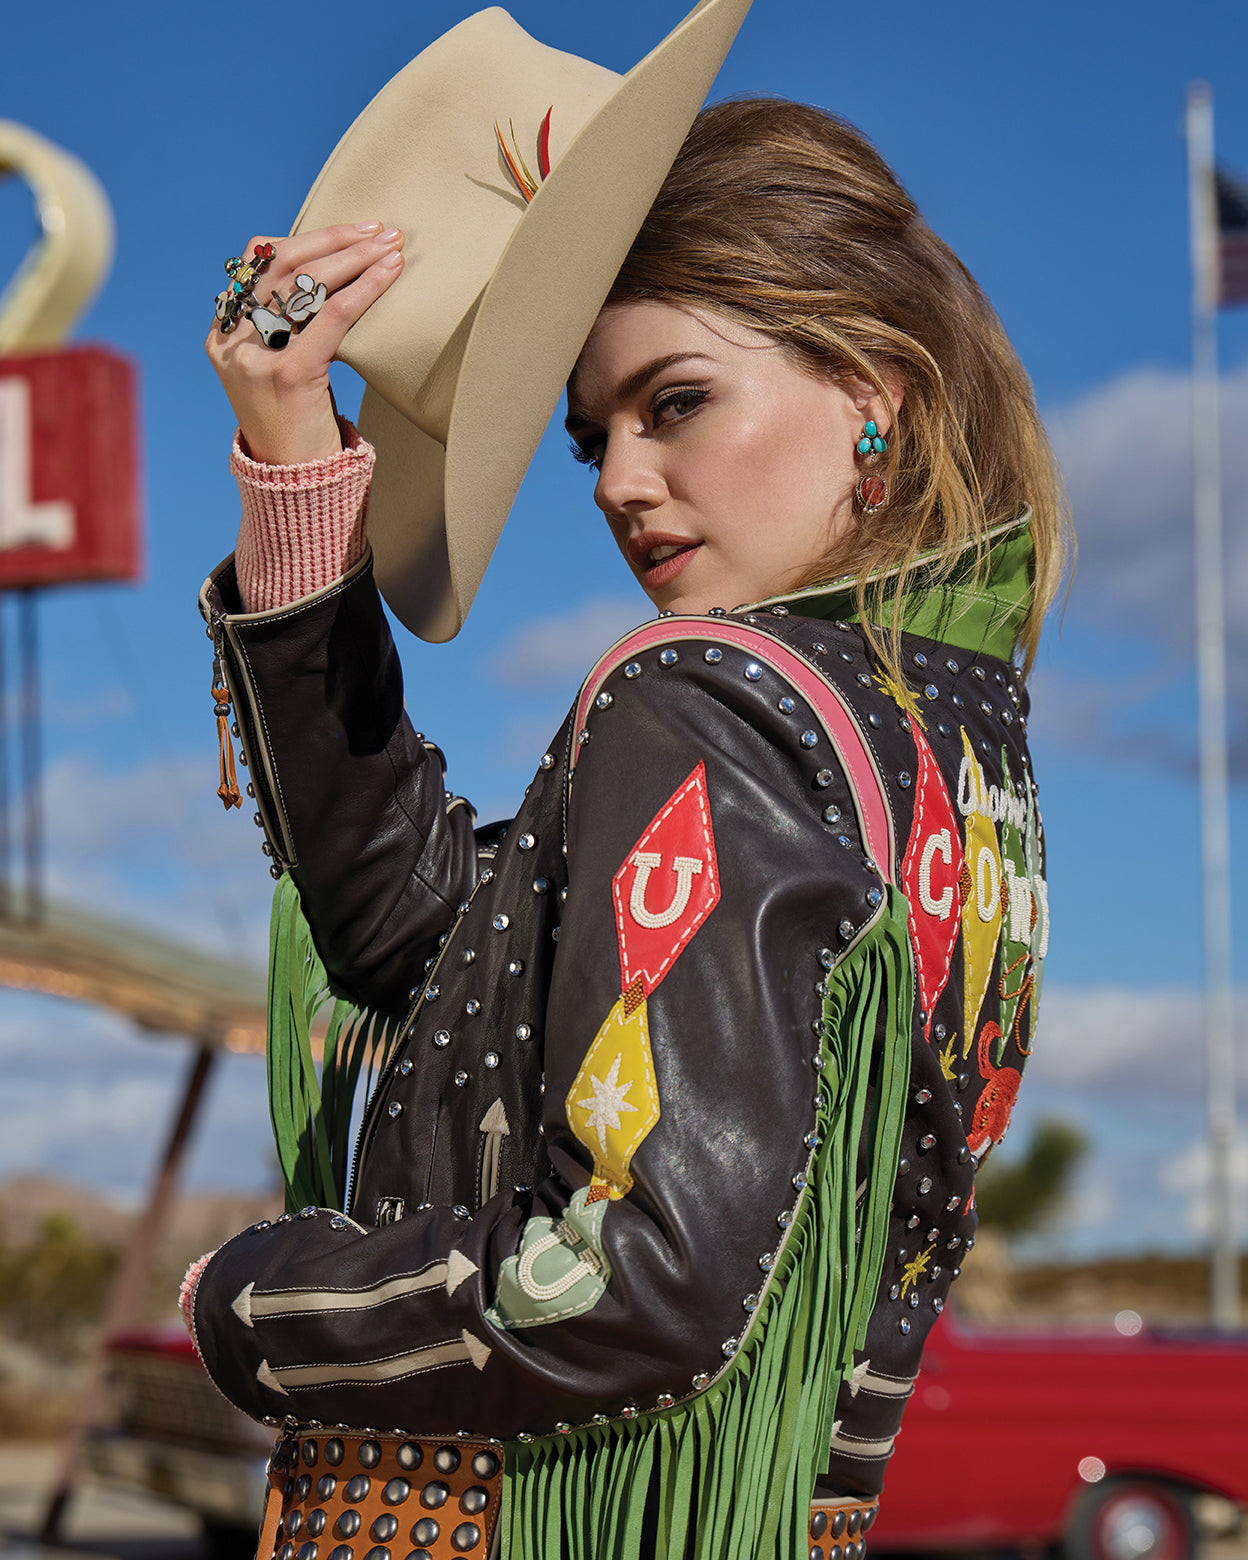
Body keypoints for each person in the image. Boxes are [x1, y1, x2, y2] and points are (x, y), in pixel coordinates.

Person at [184, 10, 1067, 1560]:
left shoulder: (698, 698)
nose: (616, 484)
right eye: (592, 436)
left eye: (677, 402)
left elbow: (636, 1278)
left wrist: (261, 1304)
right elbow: (431, 942)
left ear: (875, 392)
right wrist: (298, 463)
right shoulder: (961, 747)